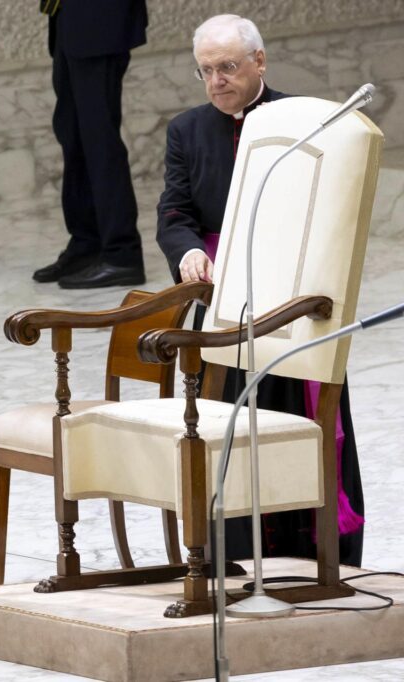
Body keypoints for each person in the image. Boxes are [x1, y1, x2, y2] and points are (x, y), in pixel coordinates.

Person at [156, 14, 364, 565]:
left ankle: (313, 551)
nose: (217, 80)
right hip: (225, 303)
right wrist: (189, 251)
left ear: (260, 62)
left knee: (297, 420)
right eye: (206, 70)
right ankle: (236, 552)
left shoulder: (310, 120)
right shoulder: (187, 130)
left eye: (228, 66)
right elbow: (174, 213)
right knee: (230, 423)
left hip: (294, 294)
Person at [33, 0, 148, 289]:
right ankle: (88, 243)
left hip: (99, 18)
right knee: (74, 138)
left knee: (100, 142)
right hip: (69, 18)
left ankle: (122, 254)